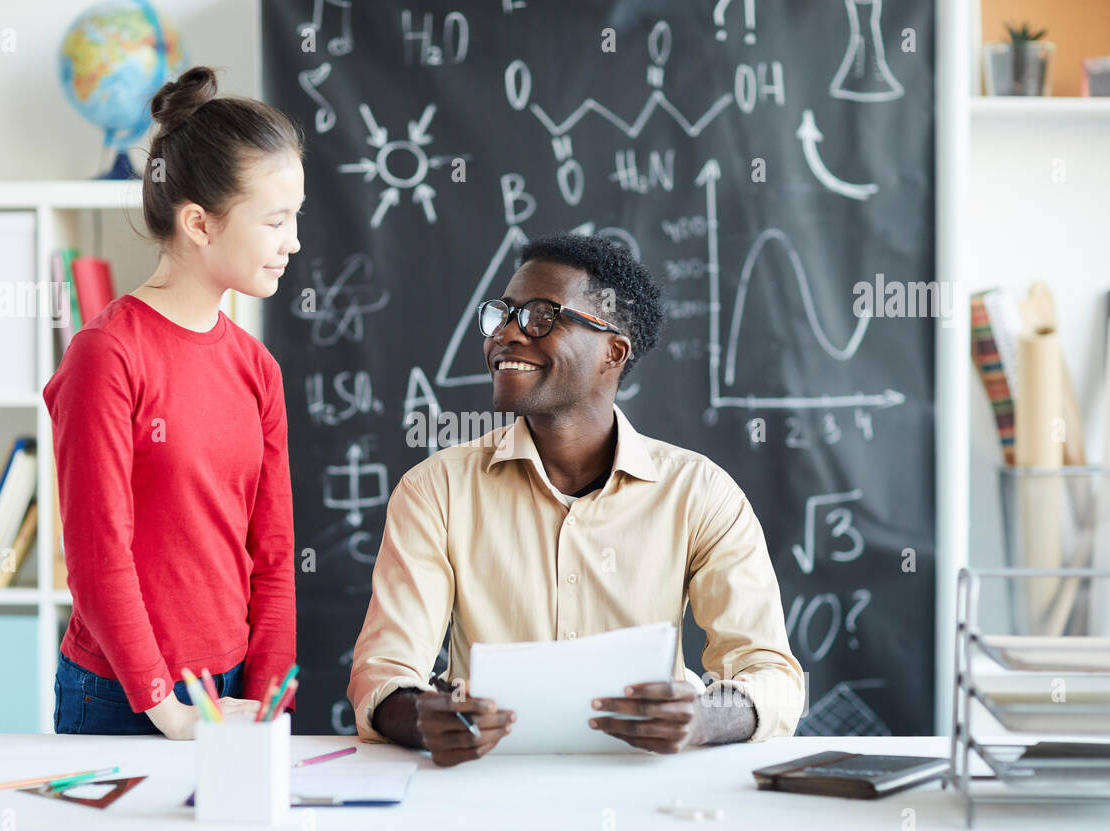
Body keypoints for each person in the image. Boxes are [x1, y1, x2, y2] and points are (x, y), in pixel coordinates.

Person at [348, 232, 804, 765]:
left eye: (541, 316)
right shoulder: (436, 489)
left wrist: (703, 718)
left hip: (651, 791)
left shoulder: (700, 493)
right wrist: (421, 718)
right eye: (503, 315)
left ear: (612, 350)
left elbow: (771, 674)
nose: (507, 336)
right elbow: (384, 673)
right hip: (487, 788)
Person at [44, 66, 304, 739]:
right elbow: (99, 555)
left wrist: (271, 700)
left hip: (232, 688)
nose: (293, 241)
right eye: (276, 220)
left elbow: (274, 553)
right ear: (199, 223)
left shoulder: (258, 368)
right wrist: (167, 710)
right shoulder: (106, 355)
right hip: (122, 693)